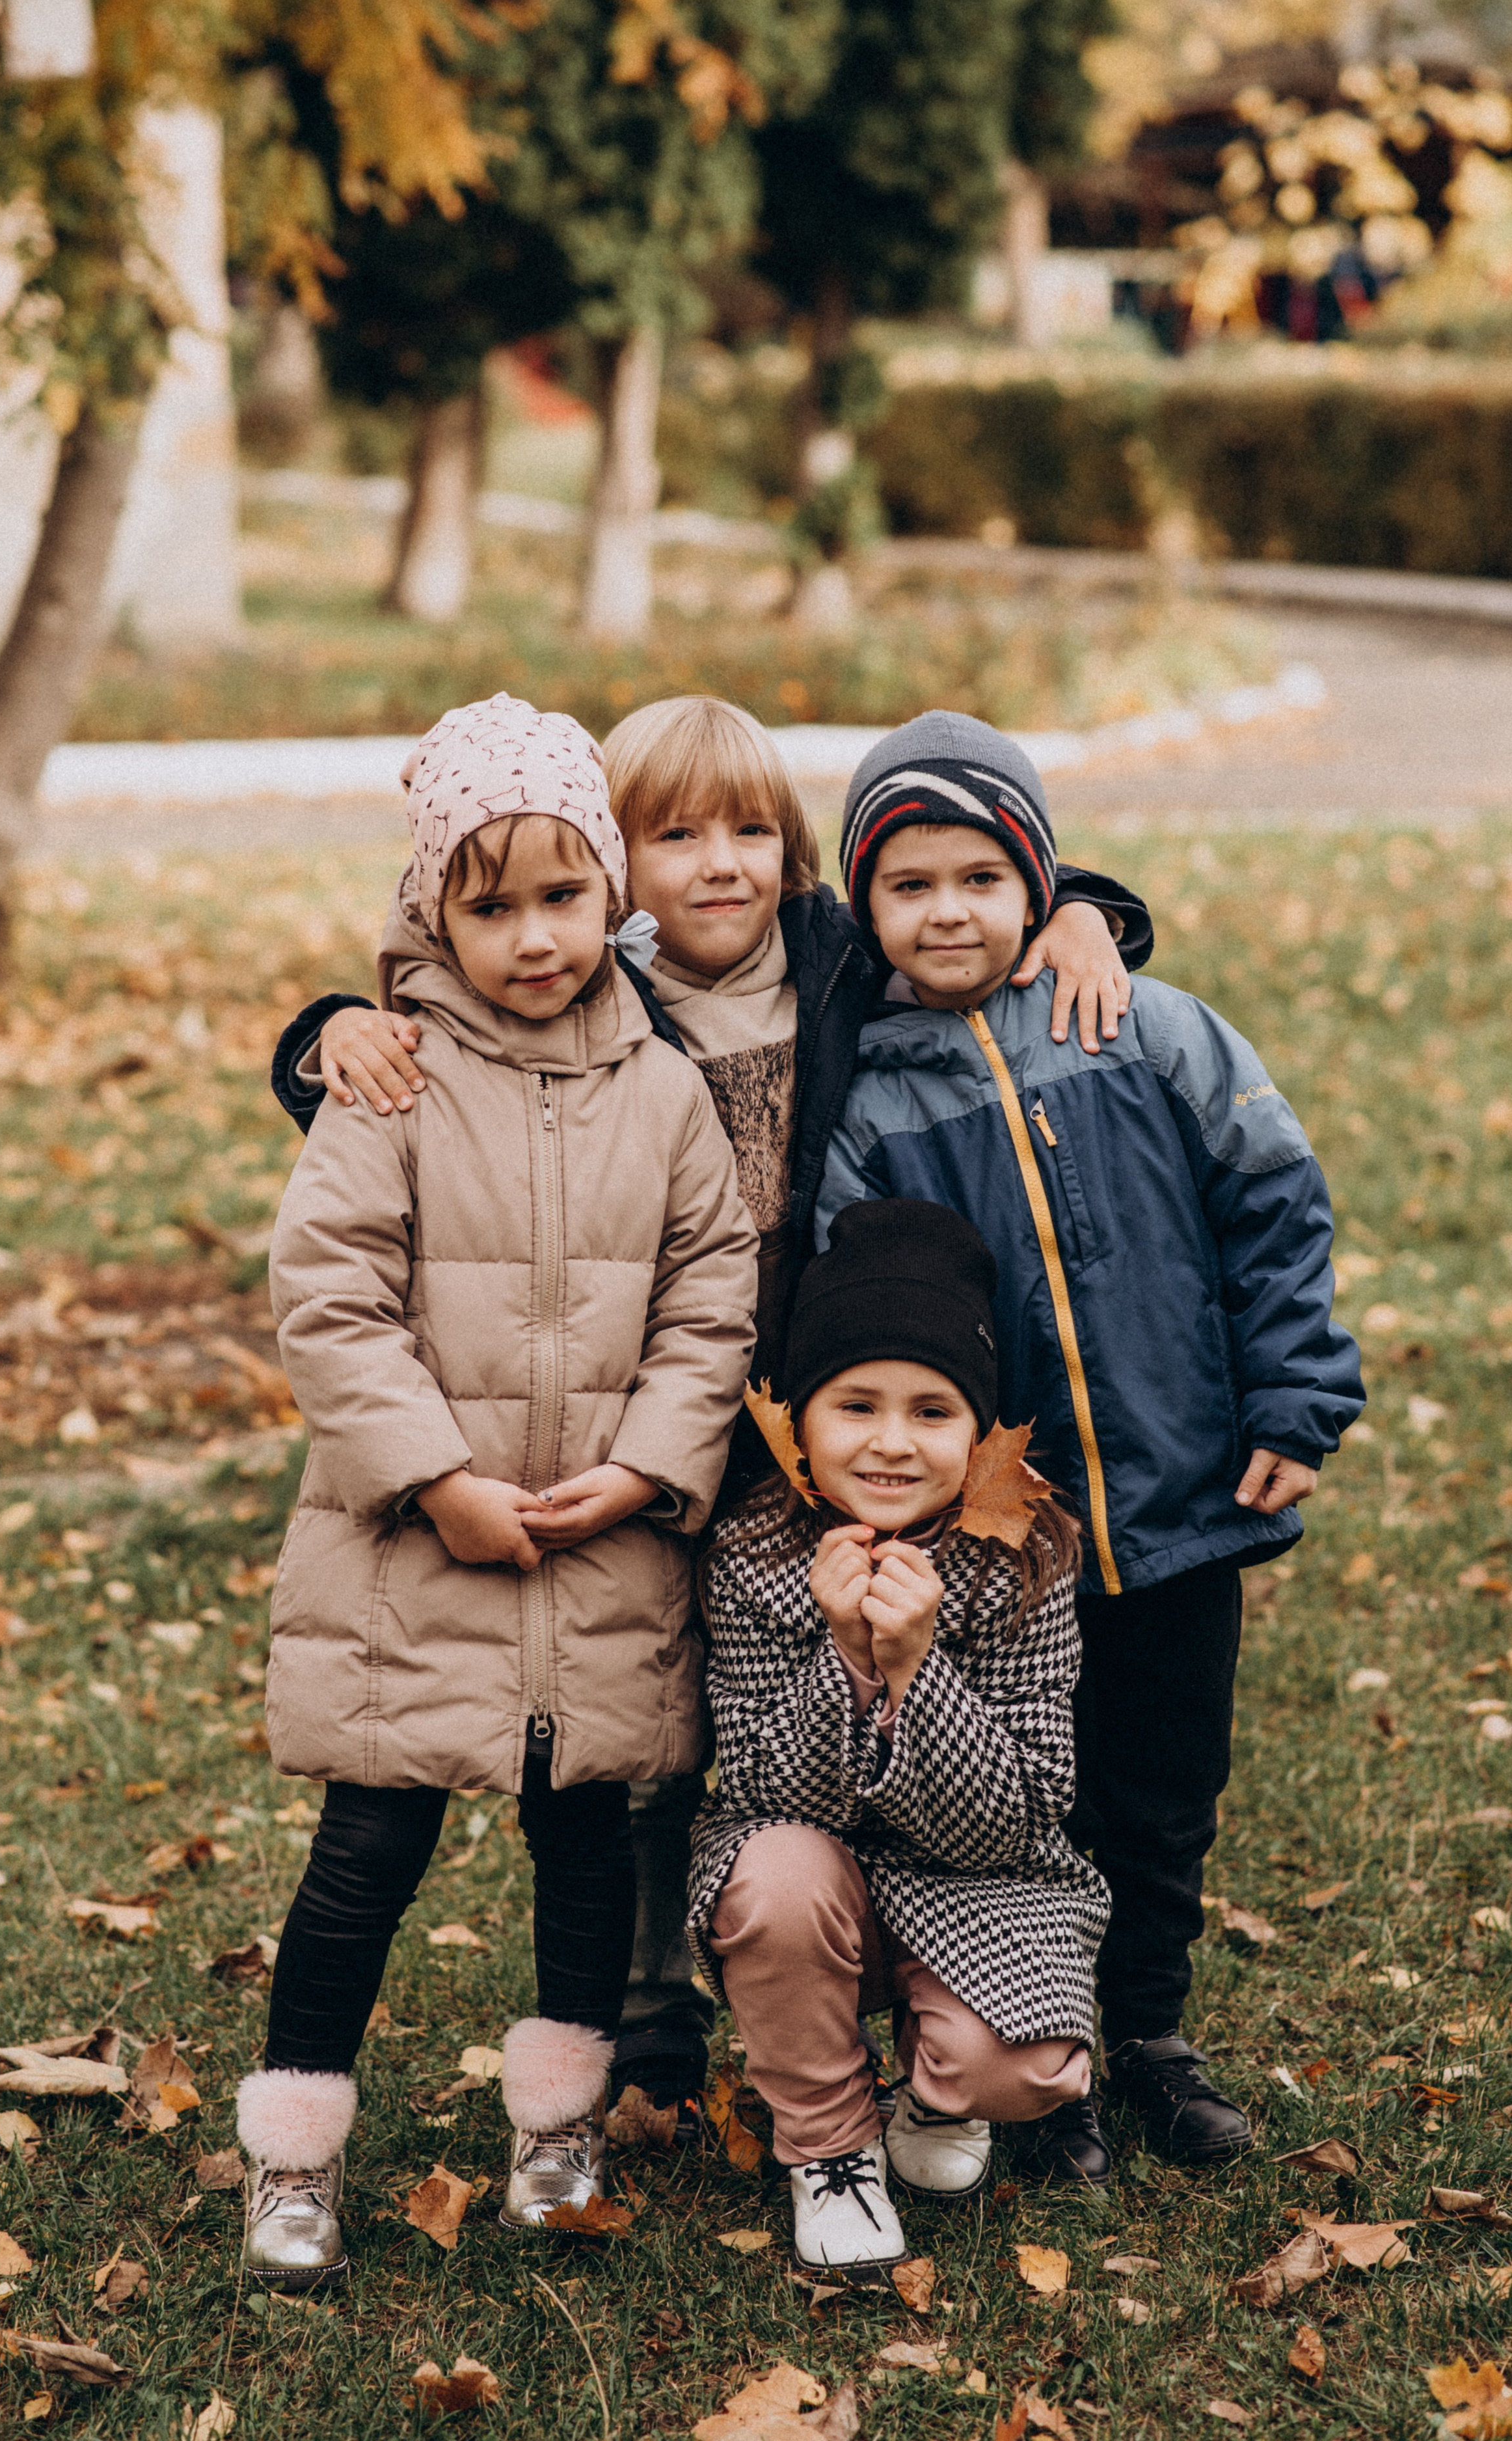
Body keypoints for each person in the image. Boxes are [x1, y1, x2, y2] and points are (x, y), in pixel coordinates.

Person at [262, 695, 1154, 2134]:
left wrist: (1087, 913)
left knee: (868, 1676)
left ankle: (955, 1990)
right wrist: (328, 1028)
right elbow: (445, 1010)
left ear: (793, 854)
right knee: (654, 1732)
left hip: (824, 1393)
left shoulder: (826, 953)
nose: (719, 861)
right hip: (628, 1416)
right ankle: (650, 2015)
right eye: (673, 835)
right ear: (624, 868)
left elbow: (949, 897)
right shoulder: (601, 983)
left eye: (751, 829)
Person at [236, 694, 757, 2288]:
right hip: (420, 1555)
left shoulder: (664, 1090)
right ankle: (294, 2152)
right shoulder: (389, 1080)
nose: (534, 936)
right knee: (365, 1856)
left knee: (582, 1848)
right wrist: (431, 1477)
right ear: (432, 913)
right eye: (490, 904)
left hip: (598, 1542)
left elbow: (709, 1290)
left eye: (560, 895)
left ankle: (556, 2125)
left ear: (611, 893)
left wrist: (652, 1465)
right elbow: (328, 1296)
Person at [817, 709, 1366, 2185]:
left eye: (981, 878)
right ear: (864, 909)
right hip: (1009, 1536)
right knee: (1035, 1801)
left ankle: (1149, 2036)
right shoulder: (870, 1100)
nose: (946, 910)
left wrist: (1292, 1399)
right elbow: (862, 1315)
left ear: (1038, 884)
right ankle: (1044, 2065)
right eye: (908, 883)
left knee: (1163, 1778)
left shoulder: (1144, 1024)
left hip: (1182, 1488)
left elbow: (1273, 1210)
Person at [688, 1197, 1109, 2278]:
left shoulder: (1025, 1560)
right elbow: (769, 1788)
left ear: (979, 1436)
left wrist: (918, 1669)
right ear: (799, 1423)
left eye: (932, 1412)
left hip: (982, 1881)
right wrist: (845, 1654)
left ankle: (935, 2095)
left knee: (1019, 2066)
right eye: (855, 1406)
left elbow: (1016, 1821)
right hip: (812, 1883)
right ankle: (830, 2151)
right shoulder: (750, 1553)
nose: (889, 1442)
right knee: (772, 1876)